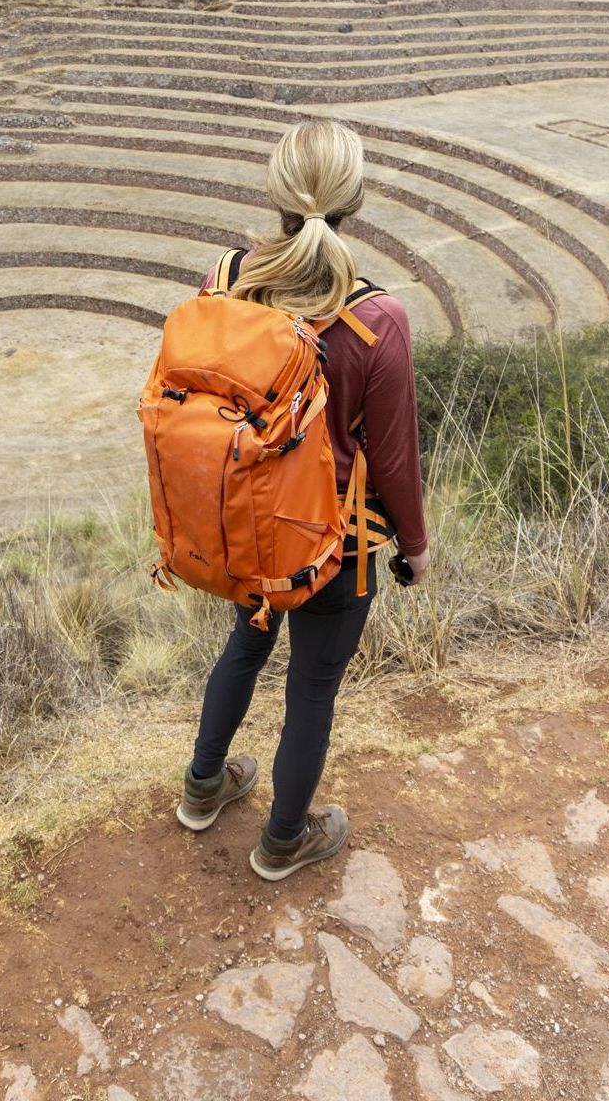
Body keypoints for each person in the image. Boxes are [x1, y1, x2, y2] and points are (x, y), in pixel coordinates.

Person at [175, 119, 431, 881]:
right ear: (355, 198)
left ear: (276, 193)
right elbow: (391, 456)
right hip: (333, 543)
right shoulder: (375, 318)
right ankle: (283, 840)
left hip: (241, 523)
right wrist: (413, 547)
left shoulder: (225, 279)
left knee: (244, 645)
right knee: (311, 689)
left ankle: (201, 790)